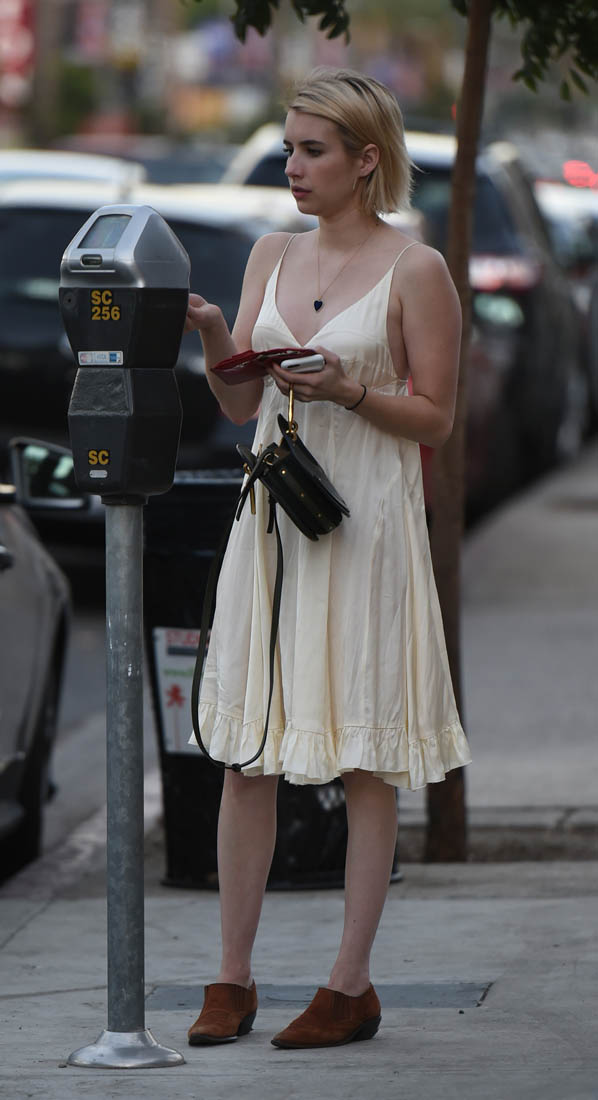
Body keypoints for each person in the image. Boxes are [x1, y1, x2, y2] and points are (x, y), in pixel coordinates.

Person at [185, 66, 472, 1051]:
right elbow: (241, 403)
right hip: (274, 522)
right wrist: (217, 335)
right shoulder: (270, 252)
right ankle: (231, 977)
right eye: (288, 149)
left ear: (365, 159)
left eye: (312, 151)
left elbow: (436, 416)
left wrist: (350, 389)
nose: (293, 167)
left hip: (364, 529)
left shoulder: (416, 269)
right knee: (248, 750)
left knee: (360, 757)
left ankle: (349, 984)